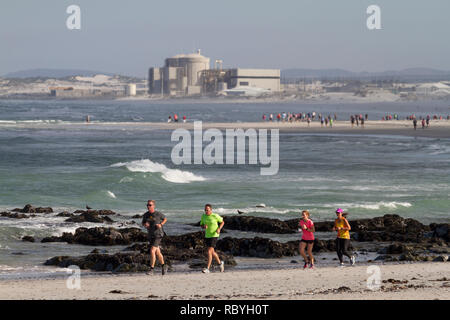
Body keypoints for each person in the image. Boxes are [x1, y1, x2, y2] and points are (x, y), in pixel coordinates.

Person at [142, 200, 168, 275]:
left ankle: (152, 269)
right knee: (157, 252)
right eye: (147, 205)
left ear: (154, 206)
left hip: (158, 234)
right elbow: (143, 222)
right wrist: (145, 224)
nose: (148, 206)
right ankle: (164, 266)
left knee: (152, 250)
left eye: (150, 205)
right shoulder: (146, 215)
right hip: (150, 235)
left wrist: (161, 224)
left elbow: (165, 219)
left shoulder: (158, 214)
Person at [200, 204, 225, 273]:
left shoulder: (215, 216)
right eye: (205, 210)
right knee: (212, 252)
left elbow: (222, 222)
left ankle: (208, 268)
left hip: (214, 235)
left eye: (207, 210)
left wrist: (219, 228)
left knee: (209, 251)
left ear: (211, 210)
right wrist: (203, 226)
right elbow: (201, 224)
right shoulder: (203, 216)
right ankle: (220, 263)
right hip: (207, 235)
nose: (206, 211)